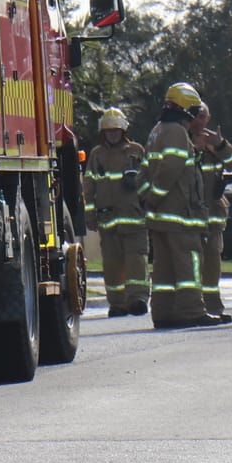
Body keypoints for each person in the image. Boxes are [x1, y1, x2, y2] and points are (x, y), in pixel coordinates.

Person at [140, 82, 217, 329]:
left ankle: (163, 313)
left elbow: (144, 170)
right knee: (188, 264)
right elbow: (170, 169)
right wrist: (155, 197)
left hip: (161, 216)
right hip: (179, 215)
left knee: (164, 268)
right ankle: (192, 311)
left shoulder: (157, 130)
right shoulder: (176, 132)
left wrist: (148, 199)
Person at [82, 107, 149, 316]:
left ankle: (137, 299)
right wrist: (89, 214)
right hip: (108, 220)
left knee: (136, 261)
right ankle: (117, 304)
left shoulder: (136, 151)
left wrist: (148, 203)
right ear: (103, 132)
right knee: (112, 265)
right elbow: (89, 186)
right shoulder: (97, 155)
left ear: (123, 131)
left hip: (135, 219)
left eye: (116, 130)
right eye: (109, 131)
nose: (112, 134)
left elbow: (148, 179)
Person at [191, 102, 232, 323]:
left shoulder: (215, 141)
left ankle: (214, 307)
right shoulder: (183, 140)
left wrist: (220, 145)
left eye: (203, 116)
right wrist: (197, 149)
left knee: (212, 263)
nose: (199, 121)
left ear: (208, 119)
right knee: (193, 263)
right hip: (191, 216)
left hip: (214, 216)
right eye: (195, 116)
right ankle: (194, 307)